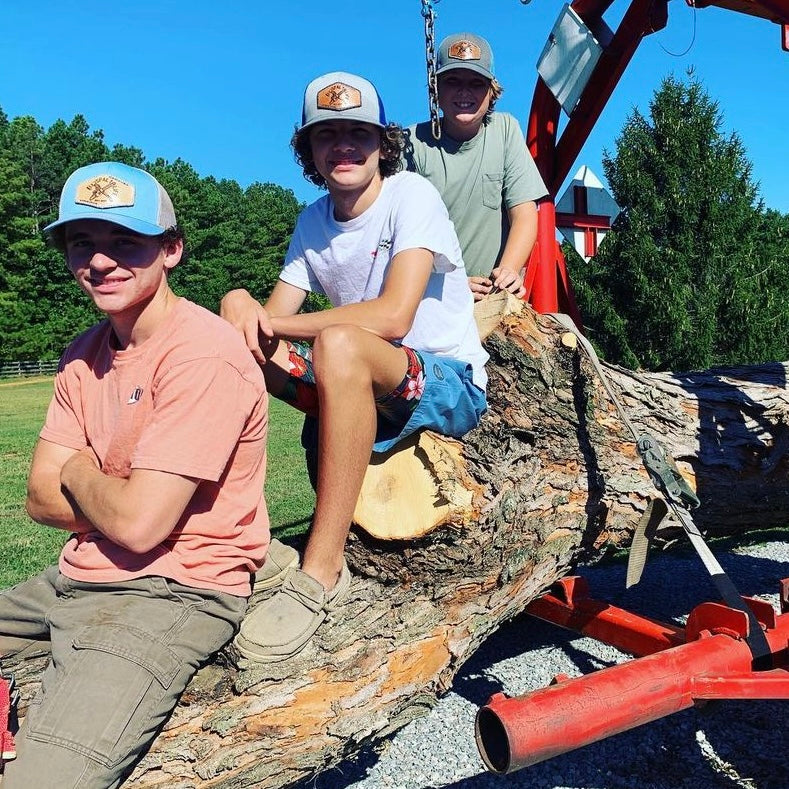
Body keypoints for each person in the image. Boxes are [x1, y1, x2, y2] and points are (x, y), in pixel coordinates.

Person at [0, 162, 270, 788]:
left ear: (171, 249)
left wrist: (74, 466)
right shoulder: (83, 353)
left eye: (125, 241)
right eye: (81, 242)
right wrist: (111, 497)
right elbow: (39, 501)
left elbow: (141, 526)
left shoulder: (202, 355)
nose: (100, 260)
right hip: (72, 576)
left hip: (170, 592)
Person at [221, 71, 488, 663]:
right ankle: (236, 531)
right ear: (309, 151)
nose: (343, 146)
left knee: (338, 342)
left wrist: (275, 326)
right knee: (240, 346)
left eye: (357, 134)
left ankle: (322, 569)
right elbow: (267, 323)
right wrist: (238, 305)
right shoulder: (313, 221)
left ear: (382, 144)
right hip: (365, 379)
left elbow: (393, 318)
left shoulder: (410, 195)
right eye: (327, 136)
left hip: (444, 384)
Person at [404, 32, 549, 301]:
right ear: (436, 89)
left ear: (491, 90)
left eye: (475, 83)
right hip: (428, 298)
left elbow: (525, 213)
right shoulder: (410, 144)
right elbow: (396, 237)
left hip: (491, 297)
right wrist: (445, 284)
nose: (464, 92)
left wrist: (509, 270)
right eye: (452, 82)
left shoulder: (505, 130)